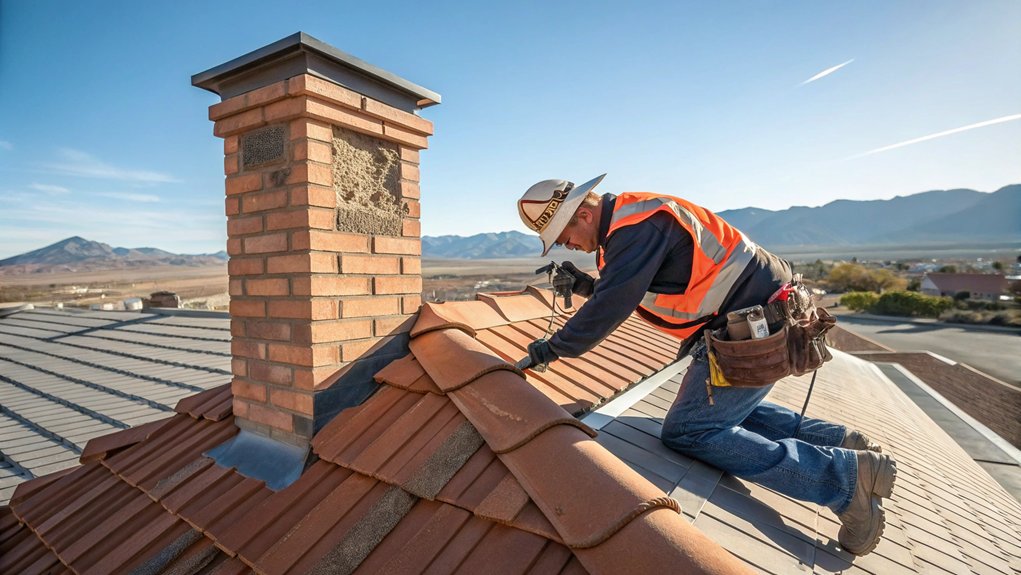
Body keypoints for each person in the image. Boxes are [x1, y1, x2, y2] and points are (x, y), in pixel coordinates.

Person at [516, 174, 897, 556]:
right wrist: (584, 284)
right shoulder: (631, 221)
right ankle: (839, 442)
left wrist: (552, 349)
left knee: (689, 429)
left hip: (751, 323)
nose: (567, 246)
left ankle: (843, 480)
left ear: (582, 213)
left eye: (564, 237)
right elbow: (631, 286)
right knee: (720, 409)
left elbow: (612, 304)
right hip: (754, 315)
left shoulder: (633, 230)